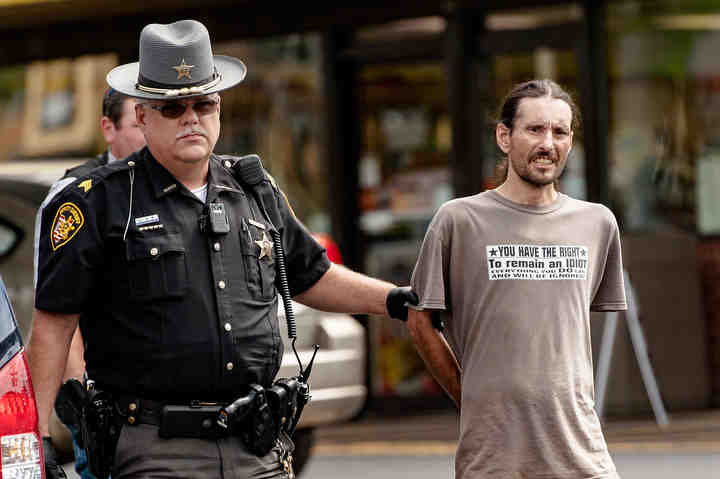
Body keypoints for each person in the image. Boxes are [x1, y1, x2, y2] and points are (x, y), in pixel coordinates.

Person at [28, 19, 416, 479]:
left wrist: (395, 300)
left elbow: (313, 276)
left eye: (203, 103)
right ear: (143, 116)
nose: (191, 117)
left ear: (220, 110)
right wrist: (32, 442)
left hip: (256, 445)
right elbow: (53, 328)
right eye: (173, 108)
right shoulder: (99, 201)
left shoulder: (253, 189)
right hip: (155, 448)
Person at [406, 79, 627, 479]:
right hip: (493, 459)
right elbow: (420, 321)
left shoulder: (598, 223)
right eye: (535, 129)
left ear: (571, 141)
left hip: (583, 456)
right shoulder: (458, 220)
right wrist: (469, 395)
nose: (548, 143)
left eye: (559, 132)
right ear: (504, 137)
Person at [35, 87, 146, 479]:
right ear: (108, 128)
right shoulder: (78, 198)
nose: (150, 131)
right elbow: (59, 316)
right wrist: (82, 406)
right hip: (104, 402)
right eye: (138, 122)